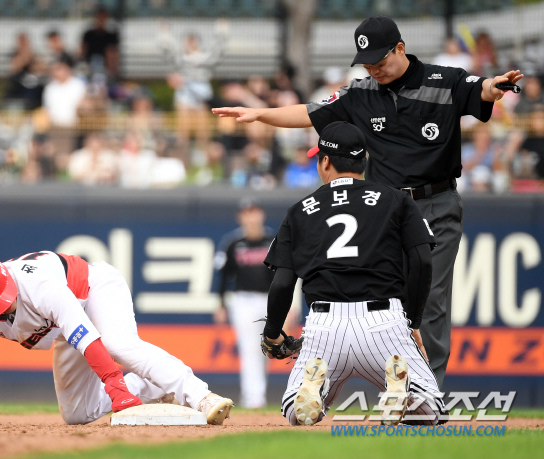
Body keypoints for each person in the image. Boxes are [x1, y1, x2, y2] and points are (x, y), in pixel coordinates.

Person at [213, 16, 523, 388]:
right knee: (382, 299)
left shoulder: (444, 80)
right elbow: (310, 112)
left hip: (435, 202)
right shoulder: (360, 92)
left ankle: (428, 392)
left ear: (400, 48)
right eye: (367, 62)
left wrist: (496, 86)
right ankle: (395, 385)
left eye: (380, 59)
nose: (374, 68)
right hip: (385, 210)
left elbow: (482, 89)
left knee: (430, 299)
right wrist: (260, 114)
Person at [0, 251, 234, 426]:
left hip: (92, 290)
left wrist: (117, 389)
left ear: (6, 279)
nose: (4, 309)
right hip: (60, 330)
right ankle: (155, 388)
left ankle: (200, 396)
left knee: (118, 344)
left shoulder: (37, 284)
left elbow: (87, 338)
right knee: (77, 414)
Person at [262, 121, 445, 426]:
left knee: (295, 413)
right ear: (365, 160)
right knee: (431, 411)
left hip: (324, 326)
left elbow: (282, 283)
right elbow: (423, 261)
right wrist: (412, 321)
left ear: (325, 162)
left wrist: (272, 334)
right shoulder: (396, 199)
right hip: (384, 322)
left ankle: (313, 389)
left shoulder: (300, 210)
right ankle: (405, 394)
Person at [213, 198, 276, 409]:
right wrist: (221, 304)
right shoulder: (233, 243)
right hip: (243, 301)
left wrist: (290, 305)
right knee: (249, 348)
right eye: (247, 212)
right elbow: (223, 277)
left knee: (268, 349)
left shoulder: (273, 241)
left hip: (270, 299)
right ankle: (253, 398)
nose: (251, 217)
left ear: (261, 214)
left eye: (254, 211)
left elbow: (287, 275)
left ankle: (258, 394)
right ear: (240, 217)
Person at [80, 7, 120, 79]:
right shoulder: (88, 34)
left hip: (105, 68)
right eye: (99, 17)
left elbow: (113, 53)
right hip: (89, 66)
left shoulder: (111, 36)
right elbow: (83, 50)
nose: (101, 20)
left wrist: (113, 69)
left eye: (103, 18)